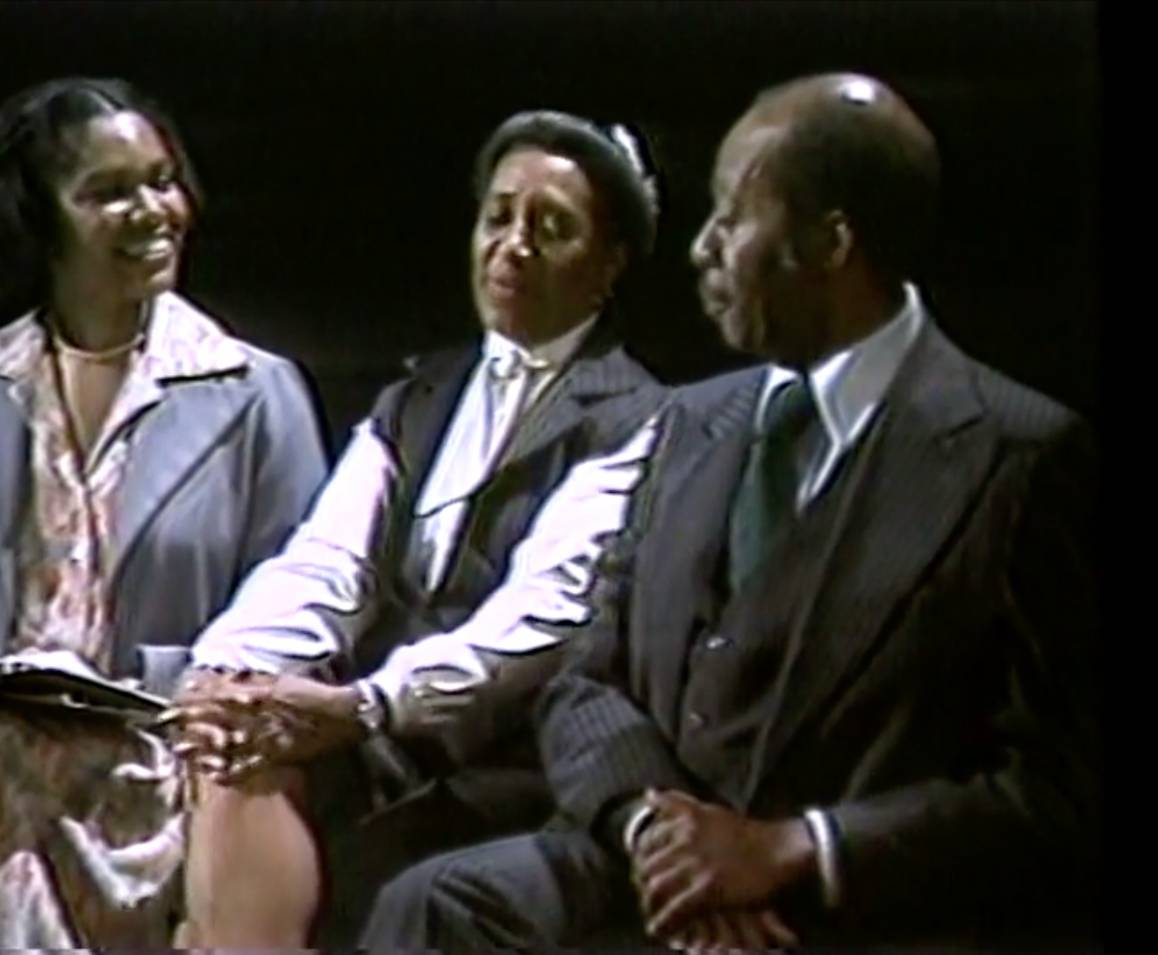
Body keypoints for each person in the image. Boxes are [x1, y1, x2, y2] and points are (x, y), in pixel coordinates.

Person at [362, 73, 1100, 953]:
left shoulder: (1020, 457)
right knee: (435, 904)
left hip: (833, 911)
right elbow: (585, 676)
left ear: (830, 241)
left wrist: (795, 849)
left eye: (732, 216)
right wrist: (656, 828)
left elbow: (1060, 788)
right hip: (640, 867)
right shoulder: (687, 423)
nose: (701, 248)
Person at [168, 109, 668, 947]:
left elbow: (542, 618)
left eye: (551, 228)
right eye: (498, 217)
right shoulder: (420, 394)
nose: (513, 246)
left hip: (507, 762)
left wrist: (368, 704)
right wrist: (231, 671)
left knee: (375, 869)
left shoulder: (636, 418)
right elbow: (327, 561)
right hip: (378, 740)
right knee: (235, 750)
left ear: (609, 264)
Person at [0, 76, 328, 949]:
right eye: (109, 192)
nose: (154, 210)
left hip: (167, 761)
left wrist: (190, 693)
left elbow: (304, 622)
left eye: (162, 180)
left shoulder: (258, 393)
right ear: (39, 219)